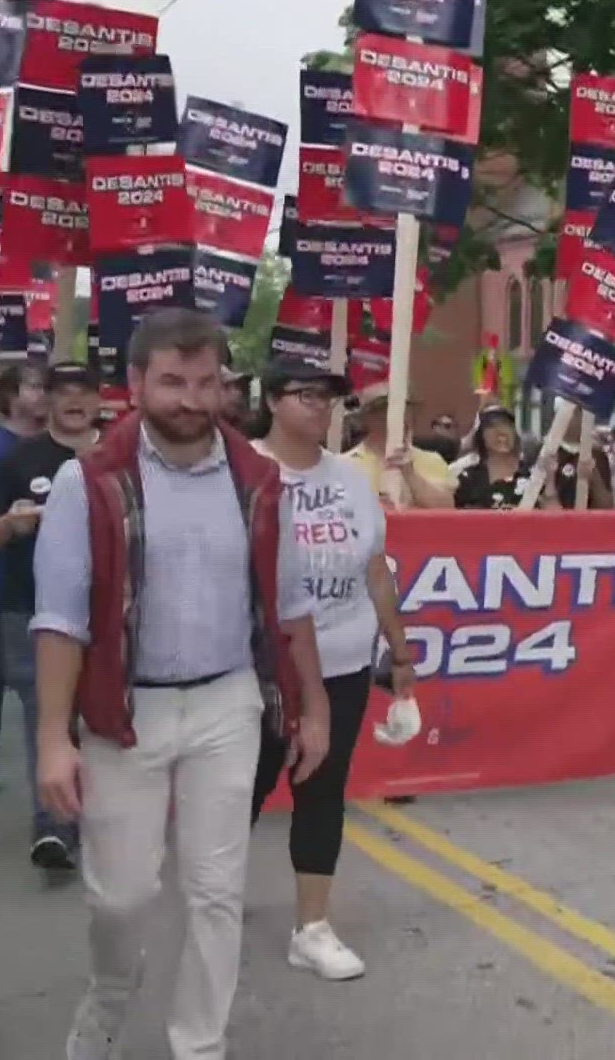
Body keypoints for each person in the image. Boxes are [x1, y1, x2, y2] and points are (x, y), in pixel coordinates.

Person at [30, 309, 333, 1060]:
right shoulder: (88, 482)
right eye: (172, 382)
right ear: (135, 385)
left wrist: (316, 707)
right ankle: (107, 998)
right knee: (120, 898)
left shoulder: (260, 481)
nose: (191, 400)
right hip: (122, 713)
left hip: (228, 704)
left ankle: (199, 1045)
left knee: (215, 893)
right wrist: (49, 741)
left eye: (206, 383)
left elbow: (291, 609)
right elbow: (60, 621)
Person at [246, 359, 415, 981]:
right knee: (245, 792)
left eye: (330, 399)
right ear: (271, 398)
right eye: (306, 395)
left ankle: (312, 927)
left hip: (341, 666)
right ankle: (203, 902)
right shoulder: (244, 470)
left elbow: (376, 571)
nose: (320, 408)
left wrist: (398, 654)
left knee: (321, 791)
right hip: (260, 668)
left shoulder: (348, 479)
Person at [0, 361, 95, 868]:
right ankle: (53, 827)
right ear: (46, 400)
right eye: (62, 390)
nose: (74, 400)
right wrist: (9, 525)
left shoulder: (123, 456)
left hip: (111, 608)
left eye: (84, 390)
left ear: (99, 399)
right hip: (28, 606)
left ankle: (110, 819)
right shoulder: (16, 460)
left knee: (109, 718)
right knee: (45, 717)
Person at [0, 361, 45, 795]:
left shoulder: (56, 449)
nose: (44, 393)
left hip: (36, 588)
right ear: (9, 394)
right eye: (34, 386)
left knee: (35, 693)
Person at [345, 383, 456, 509]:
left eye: (404, 407)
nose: (396, 414)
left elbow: (446, 509)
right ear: (366, 418)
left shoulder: (432, 460)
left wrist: (411, 475)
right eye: (382, 409)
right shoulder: (344, 465)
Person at [453, 406, 534, 510]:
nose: (501, 432)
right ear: (481, 435)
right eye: (491, 426)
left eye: (507, 425)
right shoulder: (466, 478)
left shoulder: (532, 473)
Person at [551, 435, 615, 510]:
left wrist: (594, 476)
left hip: (587, 518)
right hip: (556, 518)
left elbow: (606, 507)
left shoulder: (596, 454)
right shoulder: (546, 453)